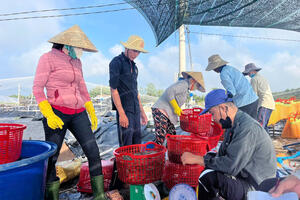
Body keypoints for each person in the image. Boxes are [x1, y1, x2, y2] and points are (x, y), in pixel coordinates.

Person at [33, 25, 107, 200]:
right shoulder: (47, 58)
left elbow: (82, 87)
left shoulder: (77, 62)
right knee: (52, 157)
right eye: (78, 47)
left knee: (93, 151)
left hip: (78, 112)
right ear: (67, 46)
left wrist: (90, 109)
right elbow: (37, 88)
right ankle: (51, 196)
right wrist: (48, 113)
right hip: (56, 112)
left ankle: (99, 195)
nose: (80, 51)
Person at [181, 89, 277, 200]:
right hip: (244, 177)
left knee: (208, 178)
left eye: (212, 113)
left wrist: (198, 159)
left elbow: (230, 166)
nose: (213, 118)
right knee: (208, 170)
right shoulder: (232, 126)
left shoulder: (247, 128)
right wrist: (203, 159)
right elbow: (221, 157)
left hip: (257, 187)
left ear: (224, 108)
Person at [109, 35, 148, 147]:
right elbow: (114, 89)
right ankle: (122, 165)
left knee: (137, 143)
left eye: (138, 52)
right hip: (125, 109)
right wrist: (121, 113)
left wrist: (142, 112)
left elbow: (136, 92)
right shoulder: (116, 62)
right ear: (127, 48)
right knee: (126, 145)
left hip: (135, 110)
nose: (136, 55)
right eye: (134, 51)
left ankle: (135, 165)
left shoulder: (135, 67)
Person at [151, 71, 206, 145]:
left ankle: (169, 153)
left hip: (168, 113)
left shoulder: (185, 87)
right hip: (161, 110)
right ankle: (150, 153)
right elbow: (169, 92)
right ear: (193, 81)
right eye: (197, 85)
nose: (196, 88)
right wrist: (176, 107)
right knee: (161, 137)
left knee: (172, 136)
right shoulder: (184, 84)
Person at [206, 54, 259, 119]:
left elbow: (231, 92)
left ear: (216, 67)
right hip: (253, 99)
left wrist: (224, 101)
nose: (213, 70)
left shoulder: (223, 74)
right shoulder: (230, 68)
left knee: (244, 124)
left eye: (213, 68)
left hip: (244, 102)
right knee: (254, 123)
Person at [243, 63, 275, 133]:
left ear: (252, 71)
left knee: (260, 125)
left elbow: (253, 95)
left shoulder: (254, 79)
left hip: (264, 104)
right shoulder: (262, 78)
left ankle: (259, 142)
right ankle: (267, 142)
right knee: (264, 125)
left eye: (248, 73)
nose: (248, 75)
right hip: (270, 104)